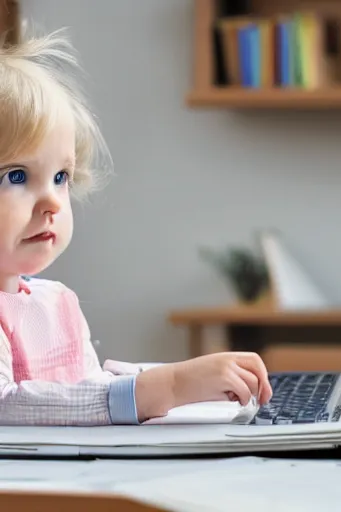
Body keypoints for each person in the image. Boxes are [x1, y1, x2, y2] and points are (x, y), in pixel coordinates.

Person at [0, 30, 272, 426]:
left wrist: (188, 381)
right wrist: (170, 386)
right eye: (18, 176)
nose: (53, 202)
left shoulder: (55, 301)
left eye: (61, 177)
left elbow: (84, 388)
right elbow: (6, 406)